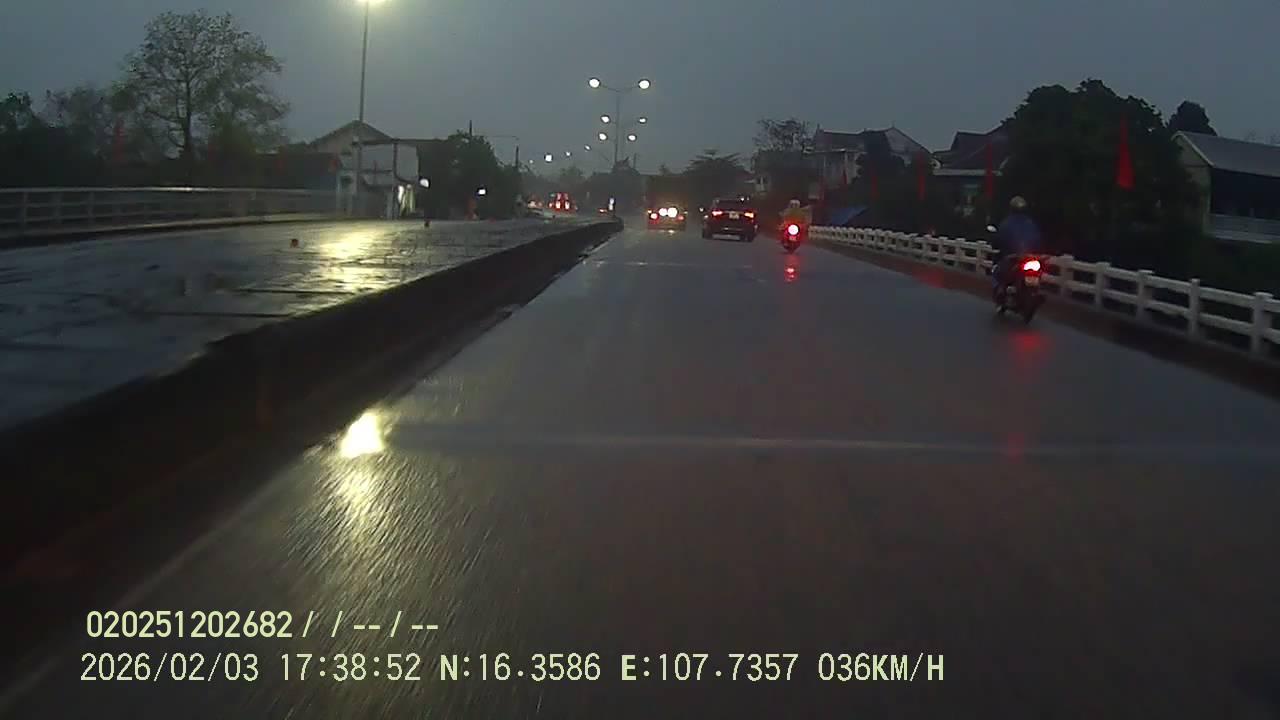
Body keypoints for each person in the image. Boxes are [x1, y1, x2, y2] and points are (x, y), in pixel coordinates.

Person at [991, 196, 1043, 289]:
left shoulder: (1006, 223)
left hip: (1013, 257)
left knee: (998, 272)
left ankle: (999, 287)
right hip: (1030, 257)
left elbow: (998, 240)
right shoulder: (1031, 224)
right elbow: (1038, 241)